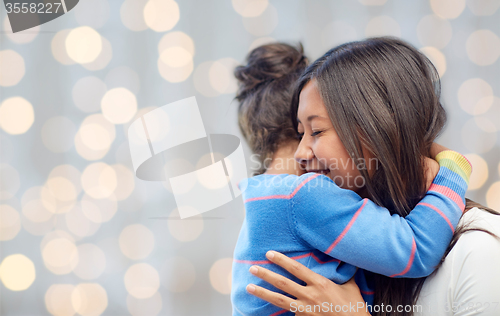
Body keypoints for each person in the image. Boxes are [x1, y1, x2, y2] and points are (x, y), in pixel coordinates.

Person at [245, 38, 500, 316]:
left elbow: (417, 250)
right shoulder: (341, 243)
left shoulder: (480, 249)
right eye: (300, 133)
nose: (300, 153)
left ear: (379, 129)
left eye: (316, 131)